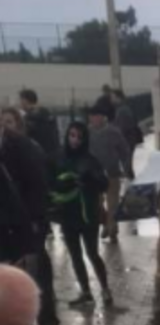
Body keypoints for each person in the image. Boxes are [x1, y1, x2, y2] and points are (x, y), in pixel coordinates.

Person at [0, 122, 61, 325]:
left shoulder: (22, 146)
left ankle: (46, 321)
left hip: (25, 223)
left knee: (36, 275)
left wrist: (35, 220)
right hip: (4, 224)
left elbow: (38, 184)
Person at [53, 122, 113, 306]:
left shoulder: (90, 160)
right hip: (67, 214)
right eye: (72, 135)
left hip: (88, 215)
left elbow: (104, 184)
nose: (75, 140)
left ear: (84, 139)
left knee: (92, 253)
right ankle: (86, 292)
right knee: (75, 254)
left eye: (79, 136)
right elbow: (52, 183)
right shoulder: (60, 158)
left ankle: (105, 289)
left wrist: (91, 179)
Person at [88, 105, 133, 243]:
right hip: (94, 174)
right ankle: (106, 224)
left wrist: (126, 168)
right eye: (92, 116)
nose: (94, 119)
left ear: (103, 117)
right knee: (97, 203)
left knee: (112, 202)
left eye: (96, 116)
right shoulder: (87, 132)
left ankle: (112, 227)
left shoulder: (113, 131)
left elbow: (124, 150)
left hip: (112, 172)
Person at [19, 89, 60, 157]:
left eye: (20, 100)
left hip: (38, 155)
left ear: (25, 101)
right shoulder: (48, 114)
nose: (19, 103)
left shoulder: (30, 117)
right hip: (53, 153)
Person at [112, 89, 141, 161]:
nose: (111, 99)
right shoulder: (124, 107)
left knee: (127, 163)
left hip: (127, 141)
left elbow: (121, 128)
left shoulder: (122, 110)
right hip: (130, 139)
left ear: (118, 97)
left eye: (113, 97)